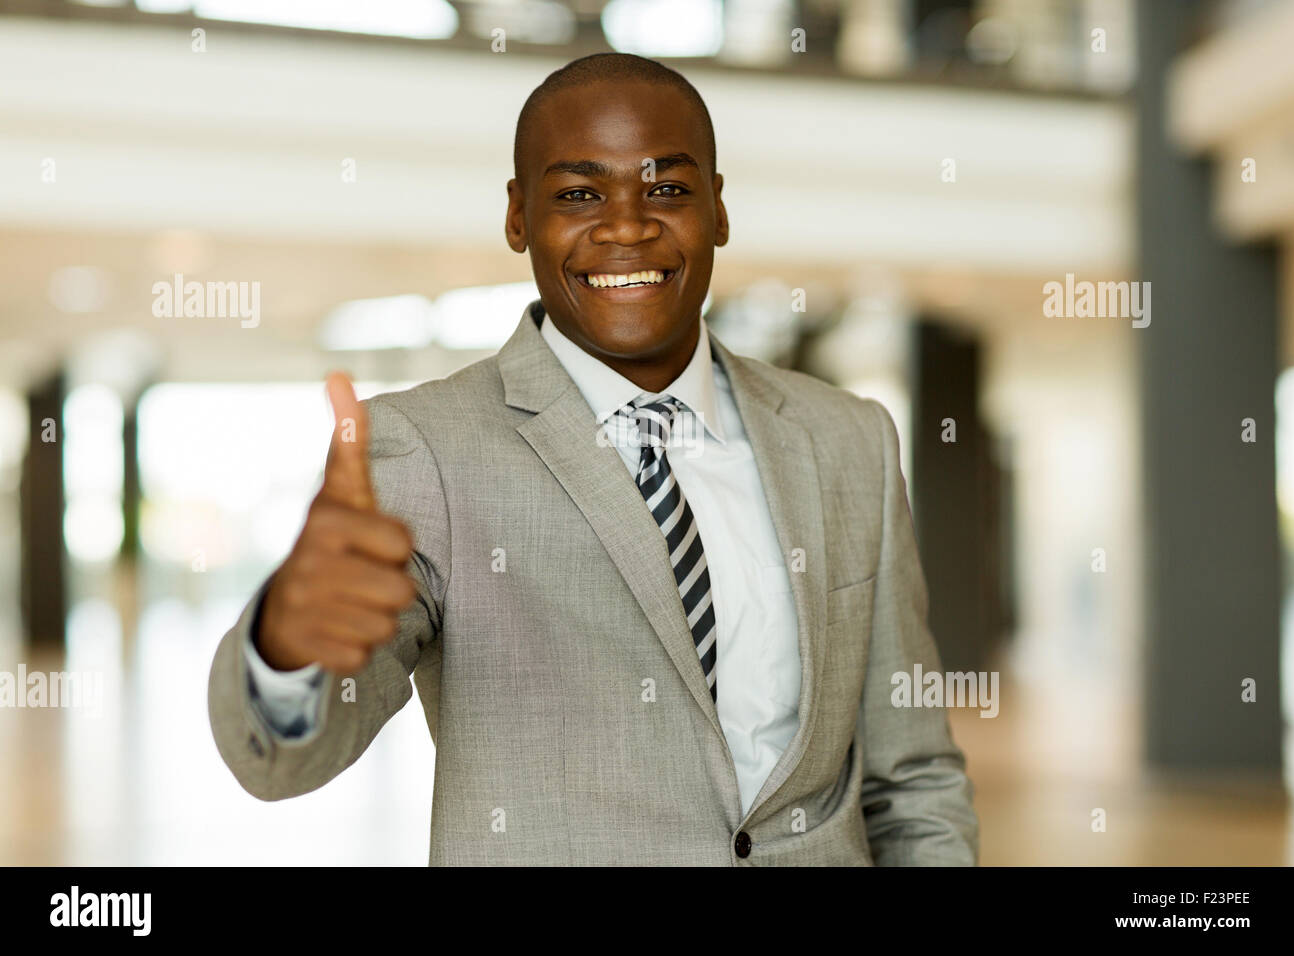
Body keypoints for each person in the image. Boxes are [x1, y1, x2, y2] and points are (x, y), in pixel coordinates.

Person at [207, 52, 979, 866]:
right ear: (517, 216)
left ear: (717, 210)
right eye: (579, 194)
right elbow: (286, 761)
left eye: (668, 189)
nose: (626, 226)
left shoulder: (847, 438)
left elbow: (912, 778)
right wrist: (284, 647)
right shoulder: (423, 450)